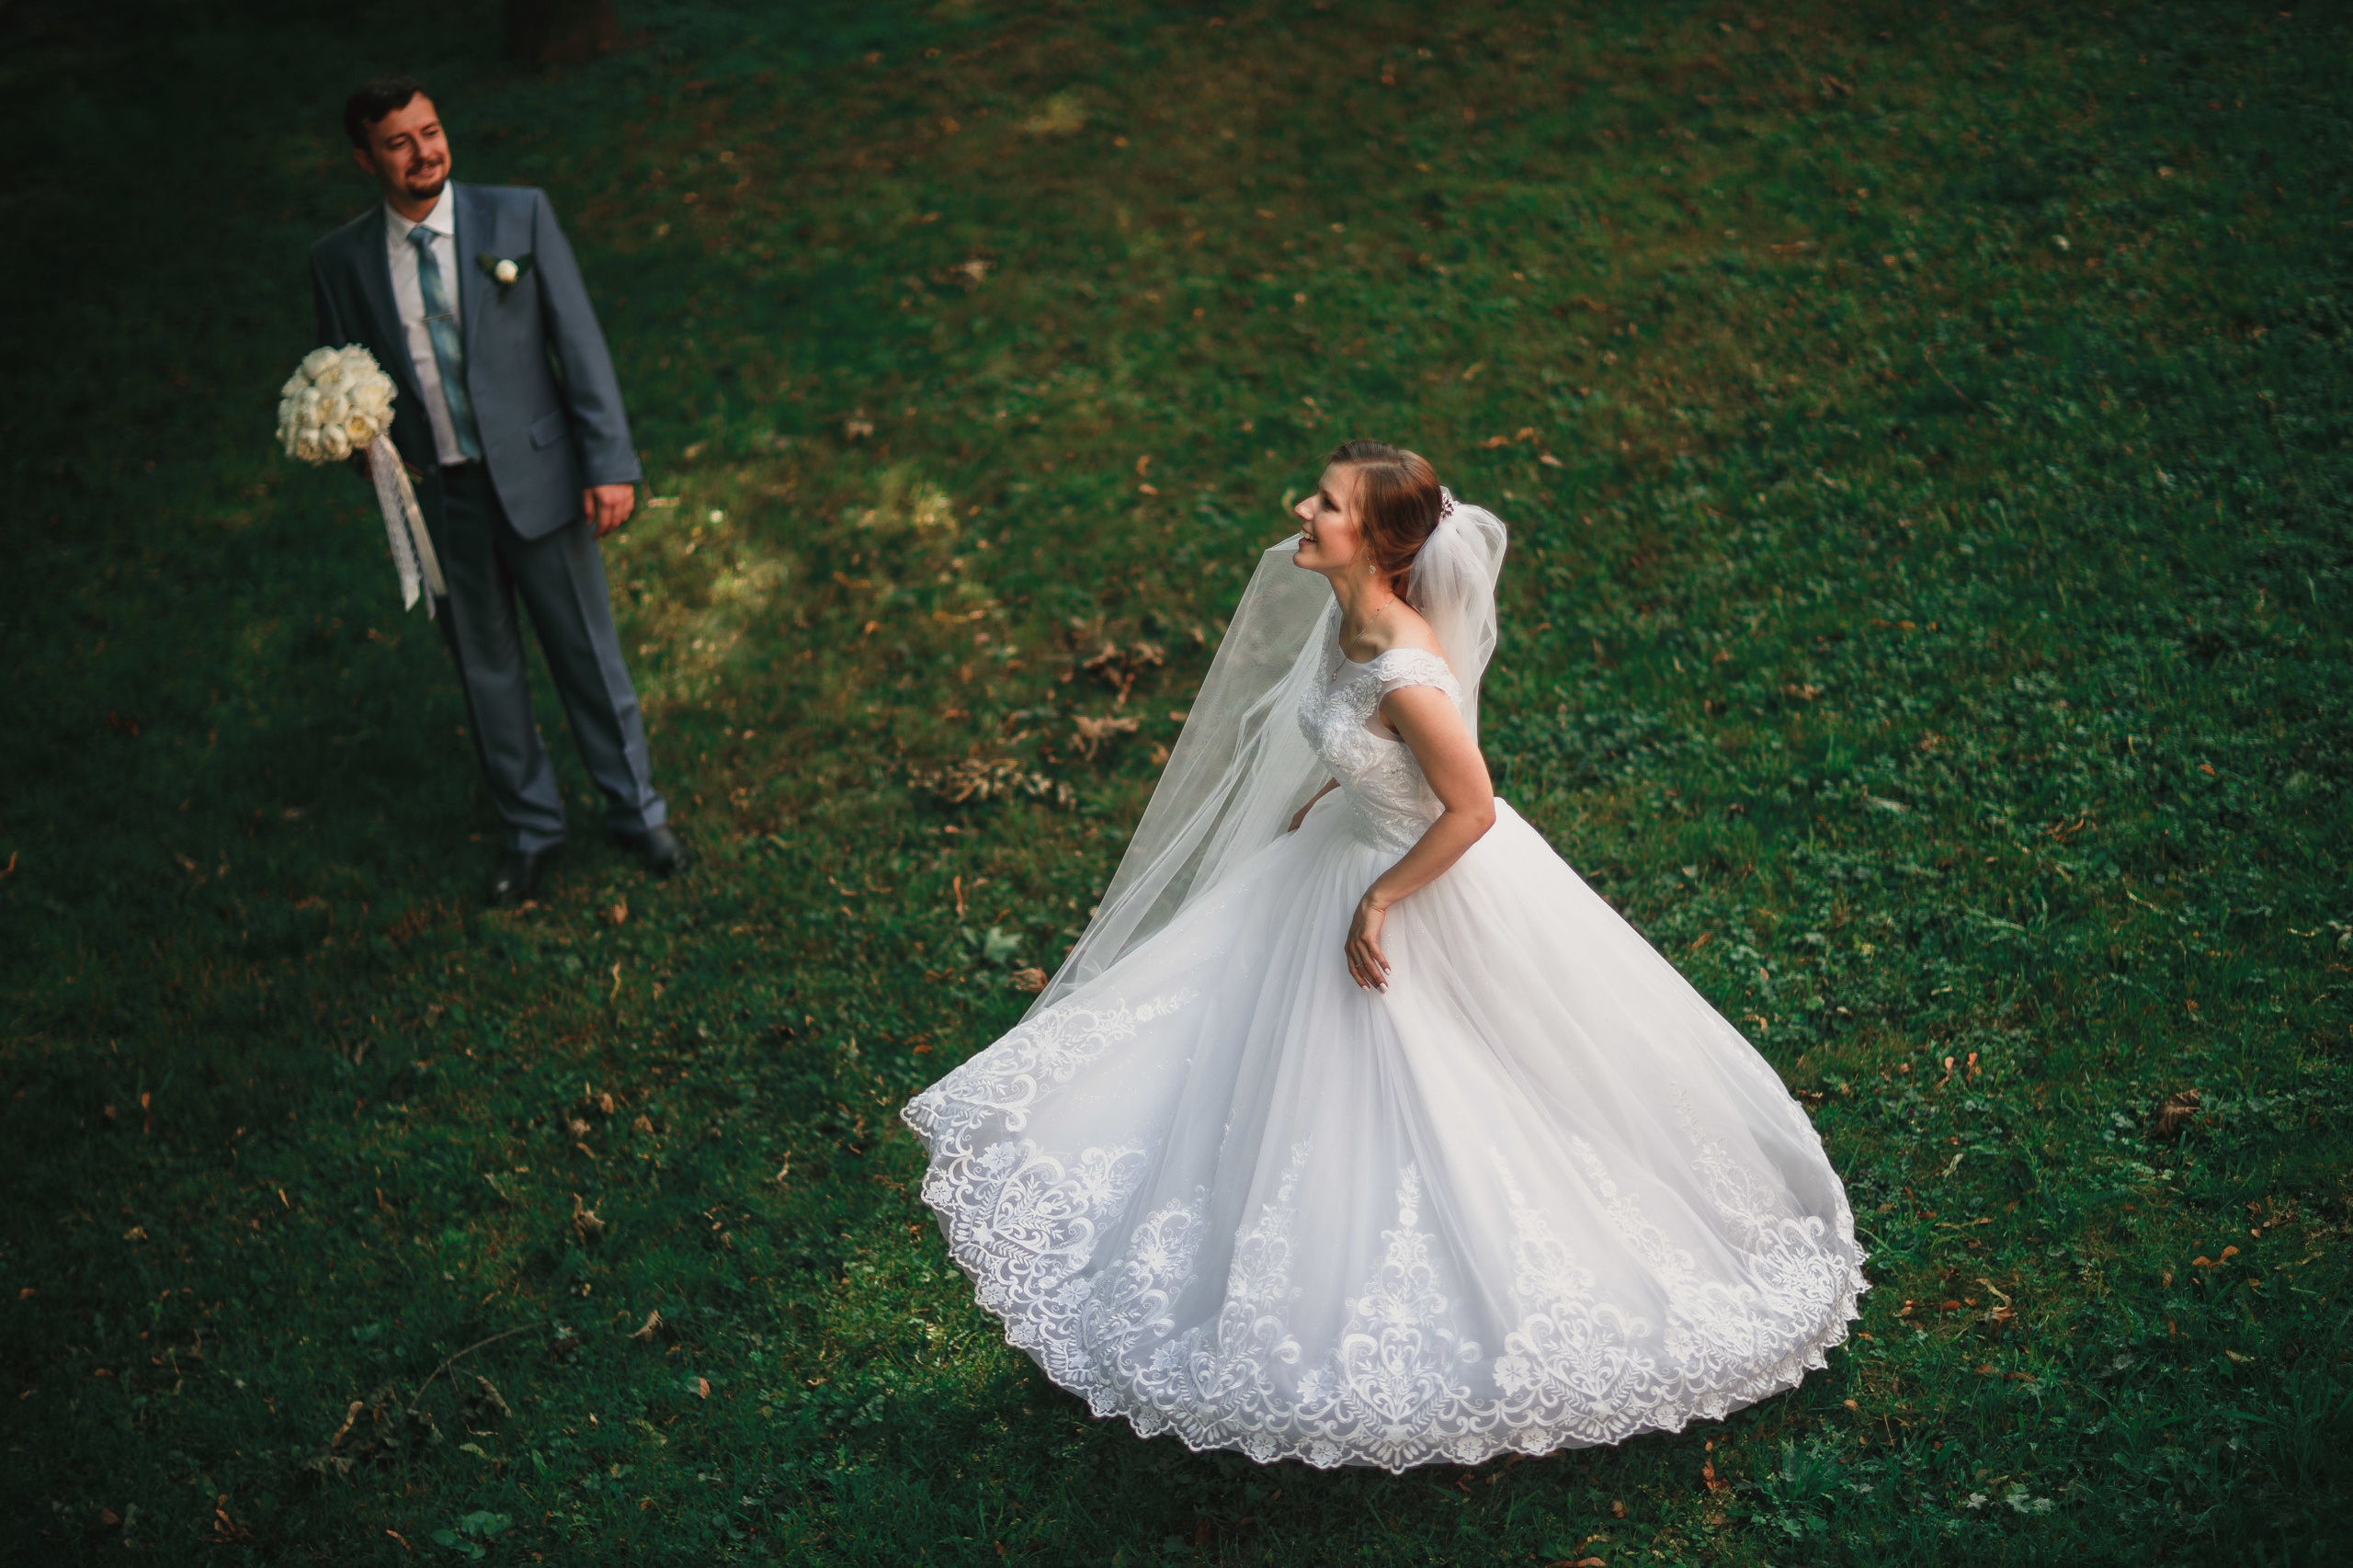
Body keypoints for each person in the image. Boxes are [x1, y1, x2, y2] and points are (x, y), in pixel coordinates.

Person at [904, 441, 1865, 1471]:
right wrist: (1338, 796)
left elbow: (1472, 807)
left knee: (1440, 1076)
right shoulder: (1345, 615)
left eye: (1326, 504)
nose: (1302, 512)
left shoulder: (1406, 665)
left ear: (1382, 540)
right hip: (1345, 848)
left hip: (1420, 878)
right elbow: (1354, 742)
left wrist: (1381, 896)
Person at [309, 75, 686, 905]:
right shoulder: (340, 262)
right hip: (442, 502)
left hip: (544, 479)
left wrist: (609, 461)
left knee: (588, 652)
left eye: (432, 130)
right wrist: (348, 439)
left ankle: (637, 810)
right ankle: (531, 830)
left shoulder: (518, 216)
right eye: (400, 142)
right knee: (486, 672)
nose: (425, 151)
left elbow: (578, 346)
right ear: (366, 158)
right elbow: (344, 379)